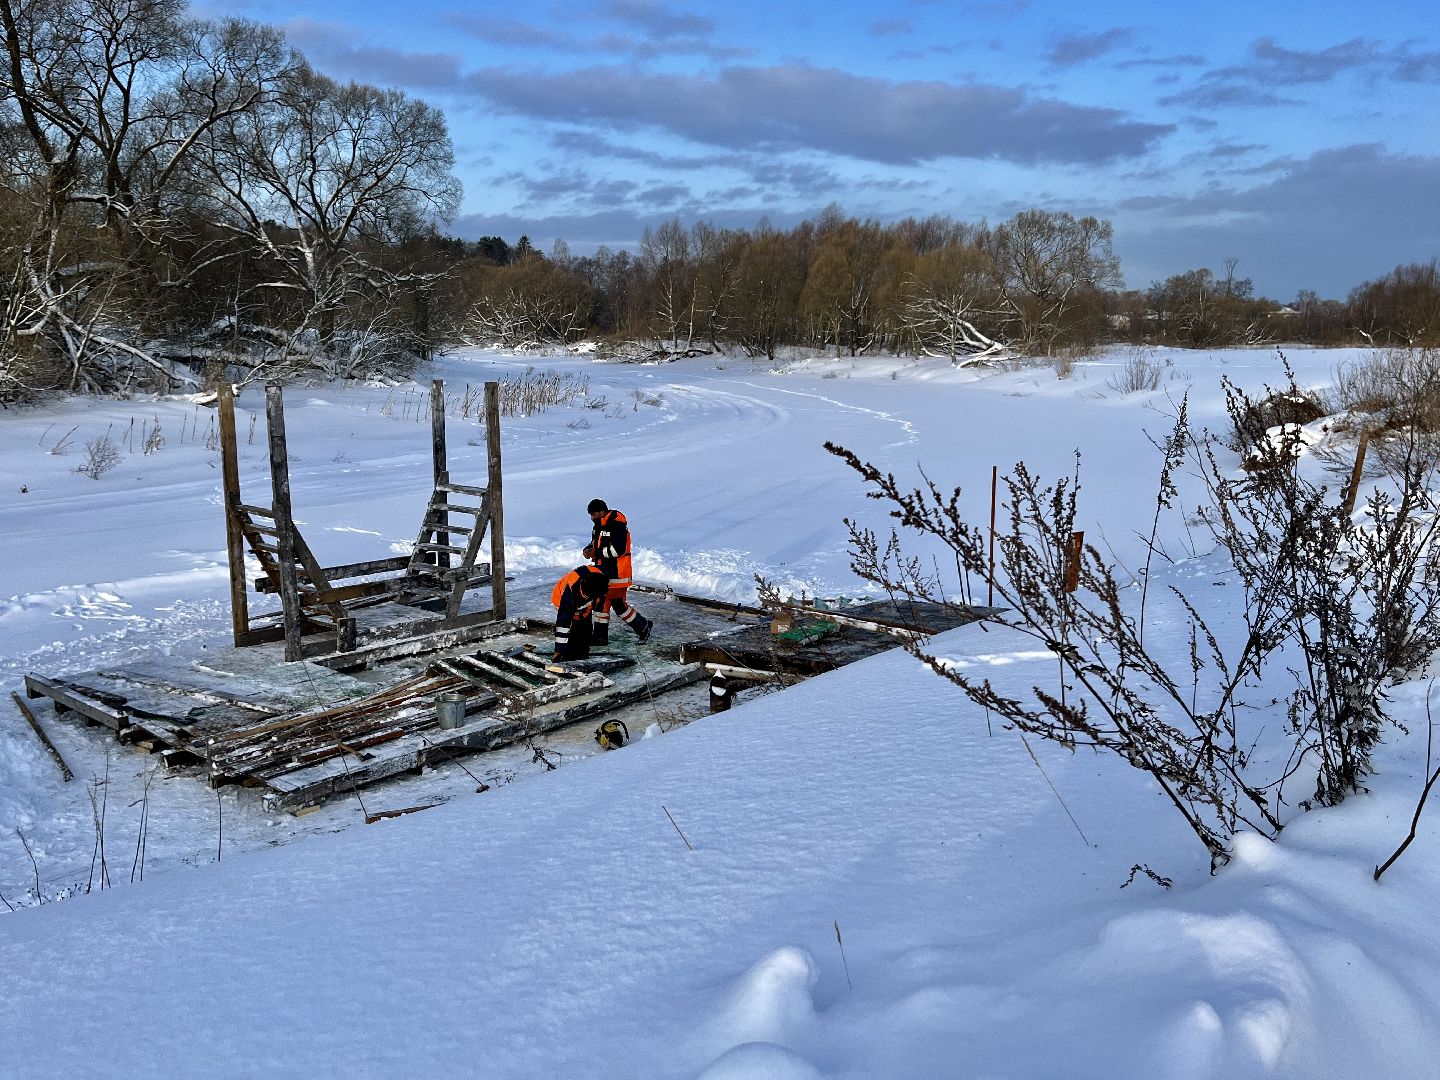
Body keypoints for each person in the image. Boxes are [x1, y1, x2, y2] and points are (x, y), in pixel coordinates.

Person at [584, 498, 653, 645]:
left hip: (618, 574)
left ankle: (643, 626)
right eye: (590, 515)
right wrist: (589, 549)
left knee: (618, 605)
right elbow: (597, 543)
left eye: (594, 514)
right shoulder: (599, 525)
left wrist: (597, 553)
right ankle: (600, 637)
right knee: (601, 604)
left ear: (602, 511)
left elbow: (619, 550)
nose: (592, 518)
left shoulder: (616, 525)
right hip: (604, 574)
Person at [550, 564, 610, 661]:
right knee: (575, 631)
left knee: (585, 630)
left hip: (585, 607)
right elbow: (563, 623)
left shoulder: (601, 577)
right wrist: (559, 650)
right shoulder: (569, 595)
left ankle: (583, 653)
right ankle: (567, 655)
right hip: (560, 600)